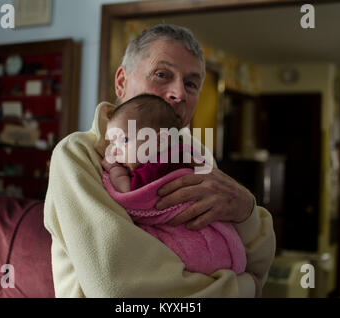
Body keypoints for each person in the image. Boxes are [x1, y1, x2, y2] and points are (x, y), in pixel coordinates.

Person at [44, 24, 276, 297]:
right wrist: (243, 289)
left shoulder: (195, 154)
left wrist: (246, 210)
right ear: (122, 82)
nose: (179, 93)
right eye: (162, 74)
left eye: (191, 83)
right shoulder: (76, 155)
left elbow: (257, 263)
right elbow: (119, 290)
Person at [100, 93, 247, 276]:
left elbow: (129, 194)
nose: (114, 151)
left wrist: (115, 170)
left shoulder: (157, 165)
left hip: (200, 245)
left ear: (160, 141)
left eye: (124, 141)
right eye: (112, 143)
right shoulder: (184, 151)